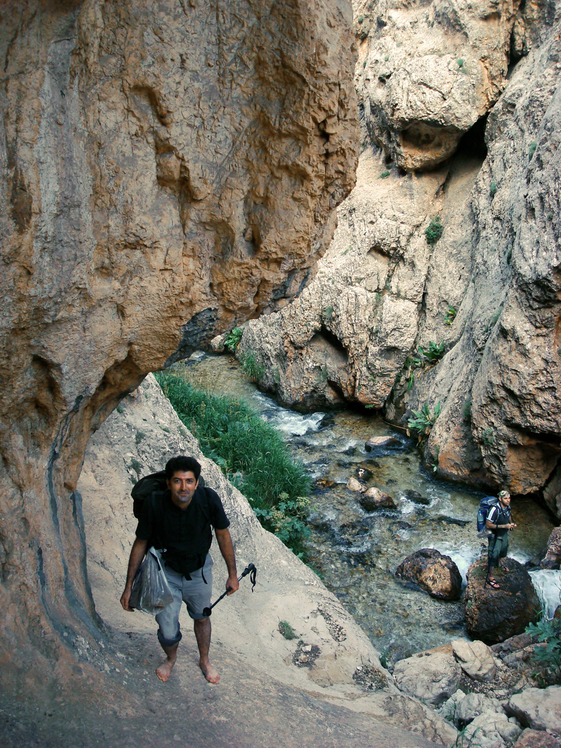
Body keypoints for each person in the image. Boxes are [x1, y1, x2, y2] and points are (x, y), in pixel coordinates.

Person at [120, 455, 239, 683]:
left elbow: (223, 534)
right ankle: (170, 658)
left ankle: (204, 660)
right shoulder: (155, 503)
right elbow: (141, 543)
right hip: (166, 573)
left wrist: (232, 575)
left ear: (196, 483)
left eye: (189, 481)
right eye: (177, 481)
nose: (183, 487)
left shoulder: (208, 499)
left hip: (199, 572)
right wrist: (129, 587)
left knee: (202, 617)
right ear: (168, 483)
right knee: (167, 628)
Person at [485, 489, 516, 589]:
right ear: (500, 499)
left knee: (503, 551)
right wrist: (504, 526)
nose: (508, 500)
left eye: (509, 498)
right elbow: (488, 525)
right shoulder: (494, 509)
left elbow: (508, 516)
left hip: (504, 533)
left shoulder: (507, 507)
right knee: (493, 554)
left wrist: (510, 524)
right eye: (506, 498)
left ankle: (498, 564)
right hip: (495, 535)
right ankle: (490, 577)